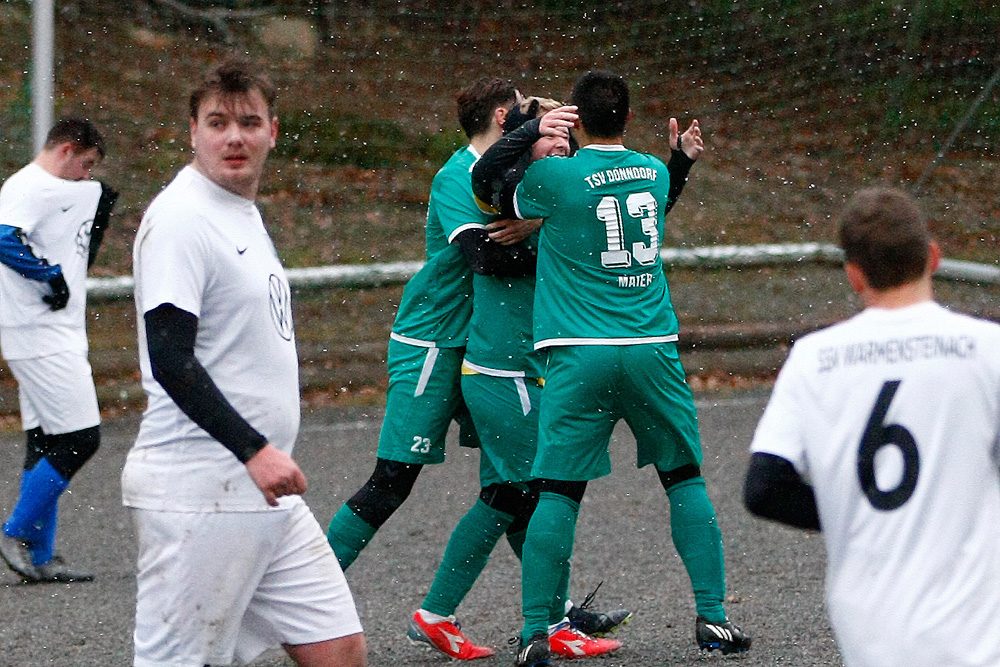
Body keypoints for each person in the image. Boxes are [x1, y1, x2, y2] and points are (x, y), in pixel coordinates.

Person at [473, 70, 750, 666]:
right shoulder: (652, 171)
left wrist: (526, 133)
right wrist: (680, 161)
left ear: (576, 119)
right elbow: (645, 206)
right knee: (685, 479)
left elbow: (486, 182)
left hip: (578, 353)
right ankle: (714, 618)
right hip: (652, 347)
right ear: (628, 118)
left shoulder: (555, 177)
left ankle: (534, 636)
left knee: (557, 493)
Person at [123, 59, 366, 667]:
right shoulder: (181, 218)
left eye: (249, 122)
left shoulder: (238, 210)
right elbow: (170, 357)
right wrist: (253, 448)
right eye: (218, 122)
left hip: (262, 493)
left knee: (337, 650)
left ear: (273, 130)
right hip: (200, 489)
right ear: (193, 131)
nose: (235, 136)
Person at [407, 97, 627, 662]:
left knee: (511, 494)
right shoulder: (498, 196)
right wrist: (542, 230)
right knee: (529, 492)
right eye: (547, 139)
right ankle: (541, 623)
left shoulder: (554, 201)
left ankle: (448, 614)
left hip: (532, 371)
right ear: (521, 147)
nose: (561, 147)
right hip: (500, 371)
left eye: (566, 142)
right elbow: (491, 247)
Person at [744, 187, 1000, 667]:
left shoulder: (814, 358)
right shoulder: (987, 349)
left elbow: (764, 489)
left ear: (855, 275)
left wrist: (850, 510)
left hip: (870, 626)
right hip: (975, 627)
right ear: (933, 257)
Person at [0, 117, 118, 583]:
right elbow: (4, 238)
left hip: (53, 330)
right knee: (81, 439)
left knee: (45, 442)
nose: (87, 175)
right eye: (85, 165)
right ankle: (15, 531)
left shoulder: (72, 191)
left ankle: (41, 556)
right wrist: (47, 274)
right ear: (66, 151)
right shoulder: (26, 187)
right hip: (36, 332)